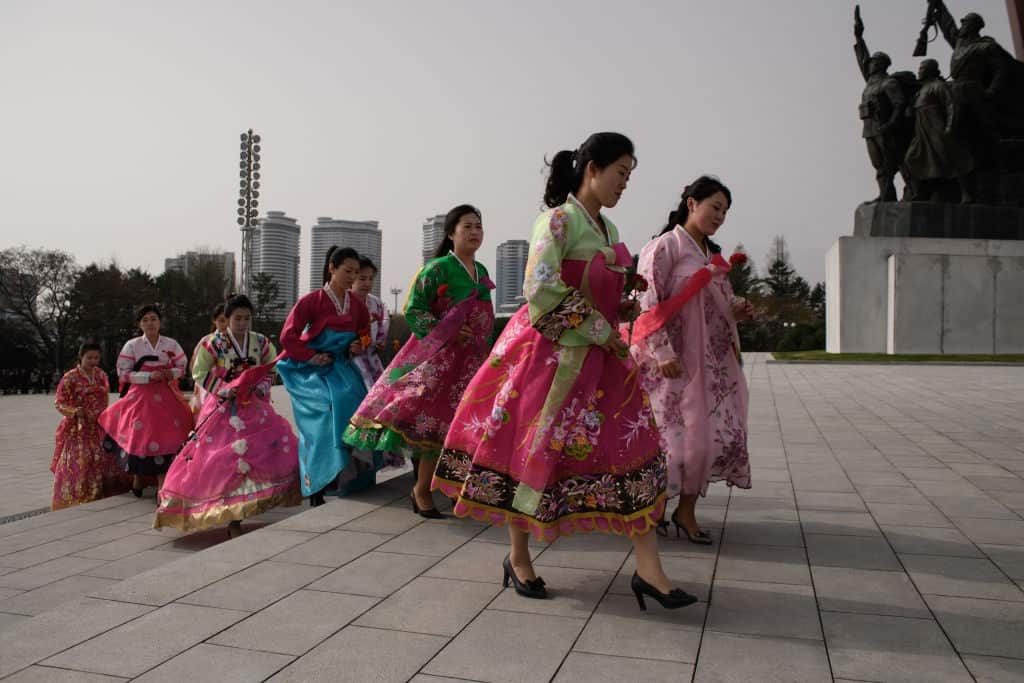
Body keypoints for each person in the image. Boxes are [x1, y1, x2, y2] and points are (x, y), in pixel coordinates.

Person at [432, 133, 695, 610]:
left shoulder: (609, 230)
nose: (624, 184)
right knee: (530, 453)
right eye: (621, 173)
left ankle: (649, 569)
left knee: (632, 450)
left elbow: (600, 289)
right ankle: (518, 556)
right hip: (550, 359)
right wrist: (599, 325)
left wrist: (623, 296)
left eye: (629, 176)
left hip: (604, 360)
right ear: (592, 168)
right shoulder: (556, 221)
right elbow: (540, 287)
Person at [344, 205, 495, 518]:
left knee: (467, 427)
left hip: (473, 361)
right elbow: (414, 309)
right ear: (451, 233)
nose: (474, 232)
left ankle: (456, 490)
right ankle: (421, 490)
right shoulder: (437, 268)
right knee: (434, 428)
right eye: (467, 226)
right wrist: (447, 331)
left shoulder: (482, 272)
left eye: (478, 226)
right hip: (441, 361)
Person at [630, 176, 753, 544]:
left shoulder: (711, 258)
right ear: (691, 204)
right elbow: (646, 302)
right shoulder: (663, 247)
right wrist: (663, 352)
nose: (720, 216)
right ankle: (652, 513)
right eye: (715, 207)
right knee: (668, 441)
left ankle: (686, 512)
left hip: (709, 365)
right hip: (669, 365)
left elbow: (721, 306)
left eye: (725, 211)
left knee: (706, 439)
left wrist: (738, 310)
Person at [155, 294, 301, 536]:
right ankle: (231, 515)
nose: (243, 323)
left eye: (247, 318)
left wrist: (261, 386)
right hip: (224, 406)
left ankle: (249, 504)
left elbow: (271, 366)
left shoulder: (261, 342)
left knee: (264, 450)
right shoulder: (213, 343)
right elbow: (198, 372)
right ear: (227, 318)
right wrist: (224, 389)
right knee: (220, 456)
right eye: (237, 318)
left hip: (253, 404)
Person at [277, 246, 376, 506]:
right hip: (311, 371)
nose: (352, 277)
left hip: (342, 367)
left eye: (356, 272)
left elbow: (364, 332)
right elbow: (288, 335)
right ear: (332, 268)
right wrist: (310, 356)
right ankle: (317, 485)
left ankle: (350, 476)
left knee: (361, 408)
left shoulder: (356, 304)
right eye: (347, 271)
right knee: (324, 414)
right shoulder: (311, 301)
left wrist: (358, 345)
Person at [98, 305, 192, 498]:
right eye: (145, 320)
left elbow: (183, 366)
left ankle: (161, 484)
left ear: (160, 322)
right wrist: (148, 377)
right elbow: (123, 372)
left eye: (154, 319)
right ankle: (139, 477)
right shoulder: (132, 345)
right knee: (143, 437)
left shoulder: (171, 344)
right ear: (140, 324)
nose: (150, 323)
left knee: (170, 436)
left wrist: (170, 373)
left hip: (166, 393)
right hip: (141, 396)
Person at [51, 343, 130, 510]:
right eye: (89, 358)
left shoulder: (101, 374)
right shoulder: (70, 377)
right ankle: (79, 494)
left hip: (99, 424)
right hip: (78, 426)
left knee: (103, 457)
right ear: (81, 357)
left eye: (96, 358)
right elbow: (59, 402)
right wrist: (73, 411)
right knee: (81, 461)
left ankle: (101, 491)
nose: (93, 361)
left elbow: (105, 396)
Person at [351, 257, 391, 390]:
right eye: (362, 279)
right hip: (350, 357)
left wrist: (380, 341)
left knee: (380, 390)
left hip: (372, 355)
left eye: (370, 279)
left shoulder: (376, 303)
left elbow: (384, 322)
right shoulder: (344, 301)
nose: (367, 283)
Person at [189, 303, 228, 414]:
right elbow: (194, 367)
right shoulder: (206, 341)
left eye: (228, 320)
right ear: (214, 321)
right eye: (221, 320)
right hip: (208, 385)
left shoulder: (238, 340)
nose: (226, 324)